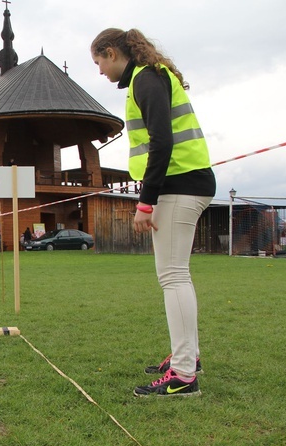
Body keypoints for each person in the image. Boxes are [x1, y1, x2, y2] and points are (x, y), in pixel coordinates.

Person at [91, 29, 215, 397]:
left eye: (98, 62)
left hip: (180, 185)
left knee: (173, 277)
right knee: (177, 276)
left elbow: (162, 141)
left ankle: (183, 375)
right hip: (185, 183)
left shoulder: (146, 79)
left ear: (112, 53)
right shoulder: (149, 77)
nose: (99, 71)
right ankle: (187, 358)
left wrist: (146, 202)